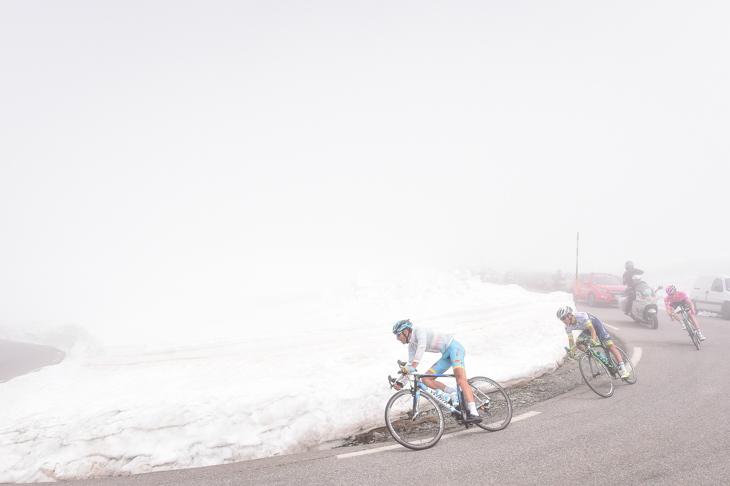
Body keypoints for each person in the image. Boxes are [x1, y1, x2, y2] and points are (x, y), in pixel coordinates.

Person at [391, 319, 482, 424]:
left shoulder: (419, 331)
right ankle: (452, 394)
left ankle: (475, 413)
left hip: (455, 349)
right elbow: (411, 365)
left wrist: (414, 365)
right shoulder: (412, 345)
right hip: (446, 355)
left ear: (405, 332)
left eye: (398, 335)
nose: (397, 338)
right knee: (426, 379)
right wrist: (401, 382)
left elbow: (422, 346)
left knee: (461, 380)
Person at [556, 306, 631, 379]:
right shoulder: (567, 327)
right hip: (587, 330)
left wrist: (593, 339)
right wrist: (572, 352)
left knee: (610, 346)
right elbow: (571, 341)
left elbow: (592, 330)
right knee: (579, 344)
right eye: (561, 319)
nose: (563, 321)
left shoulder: (581, 316)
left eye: (563, 318)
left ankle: (624, 370)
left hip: (596, 326)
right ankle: (595, 355)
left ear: (569, 315)